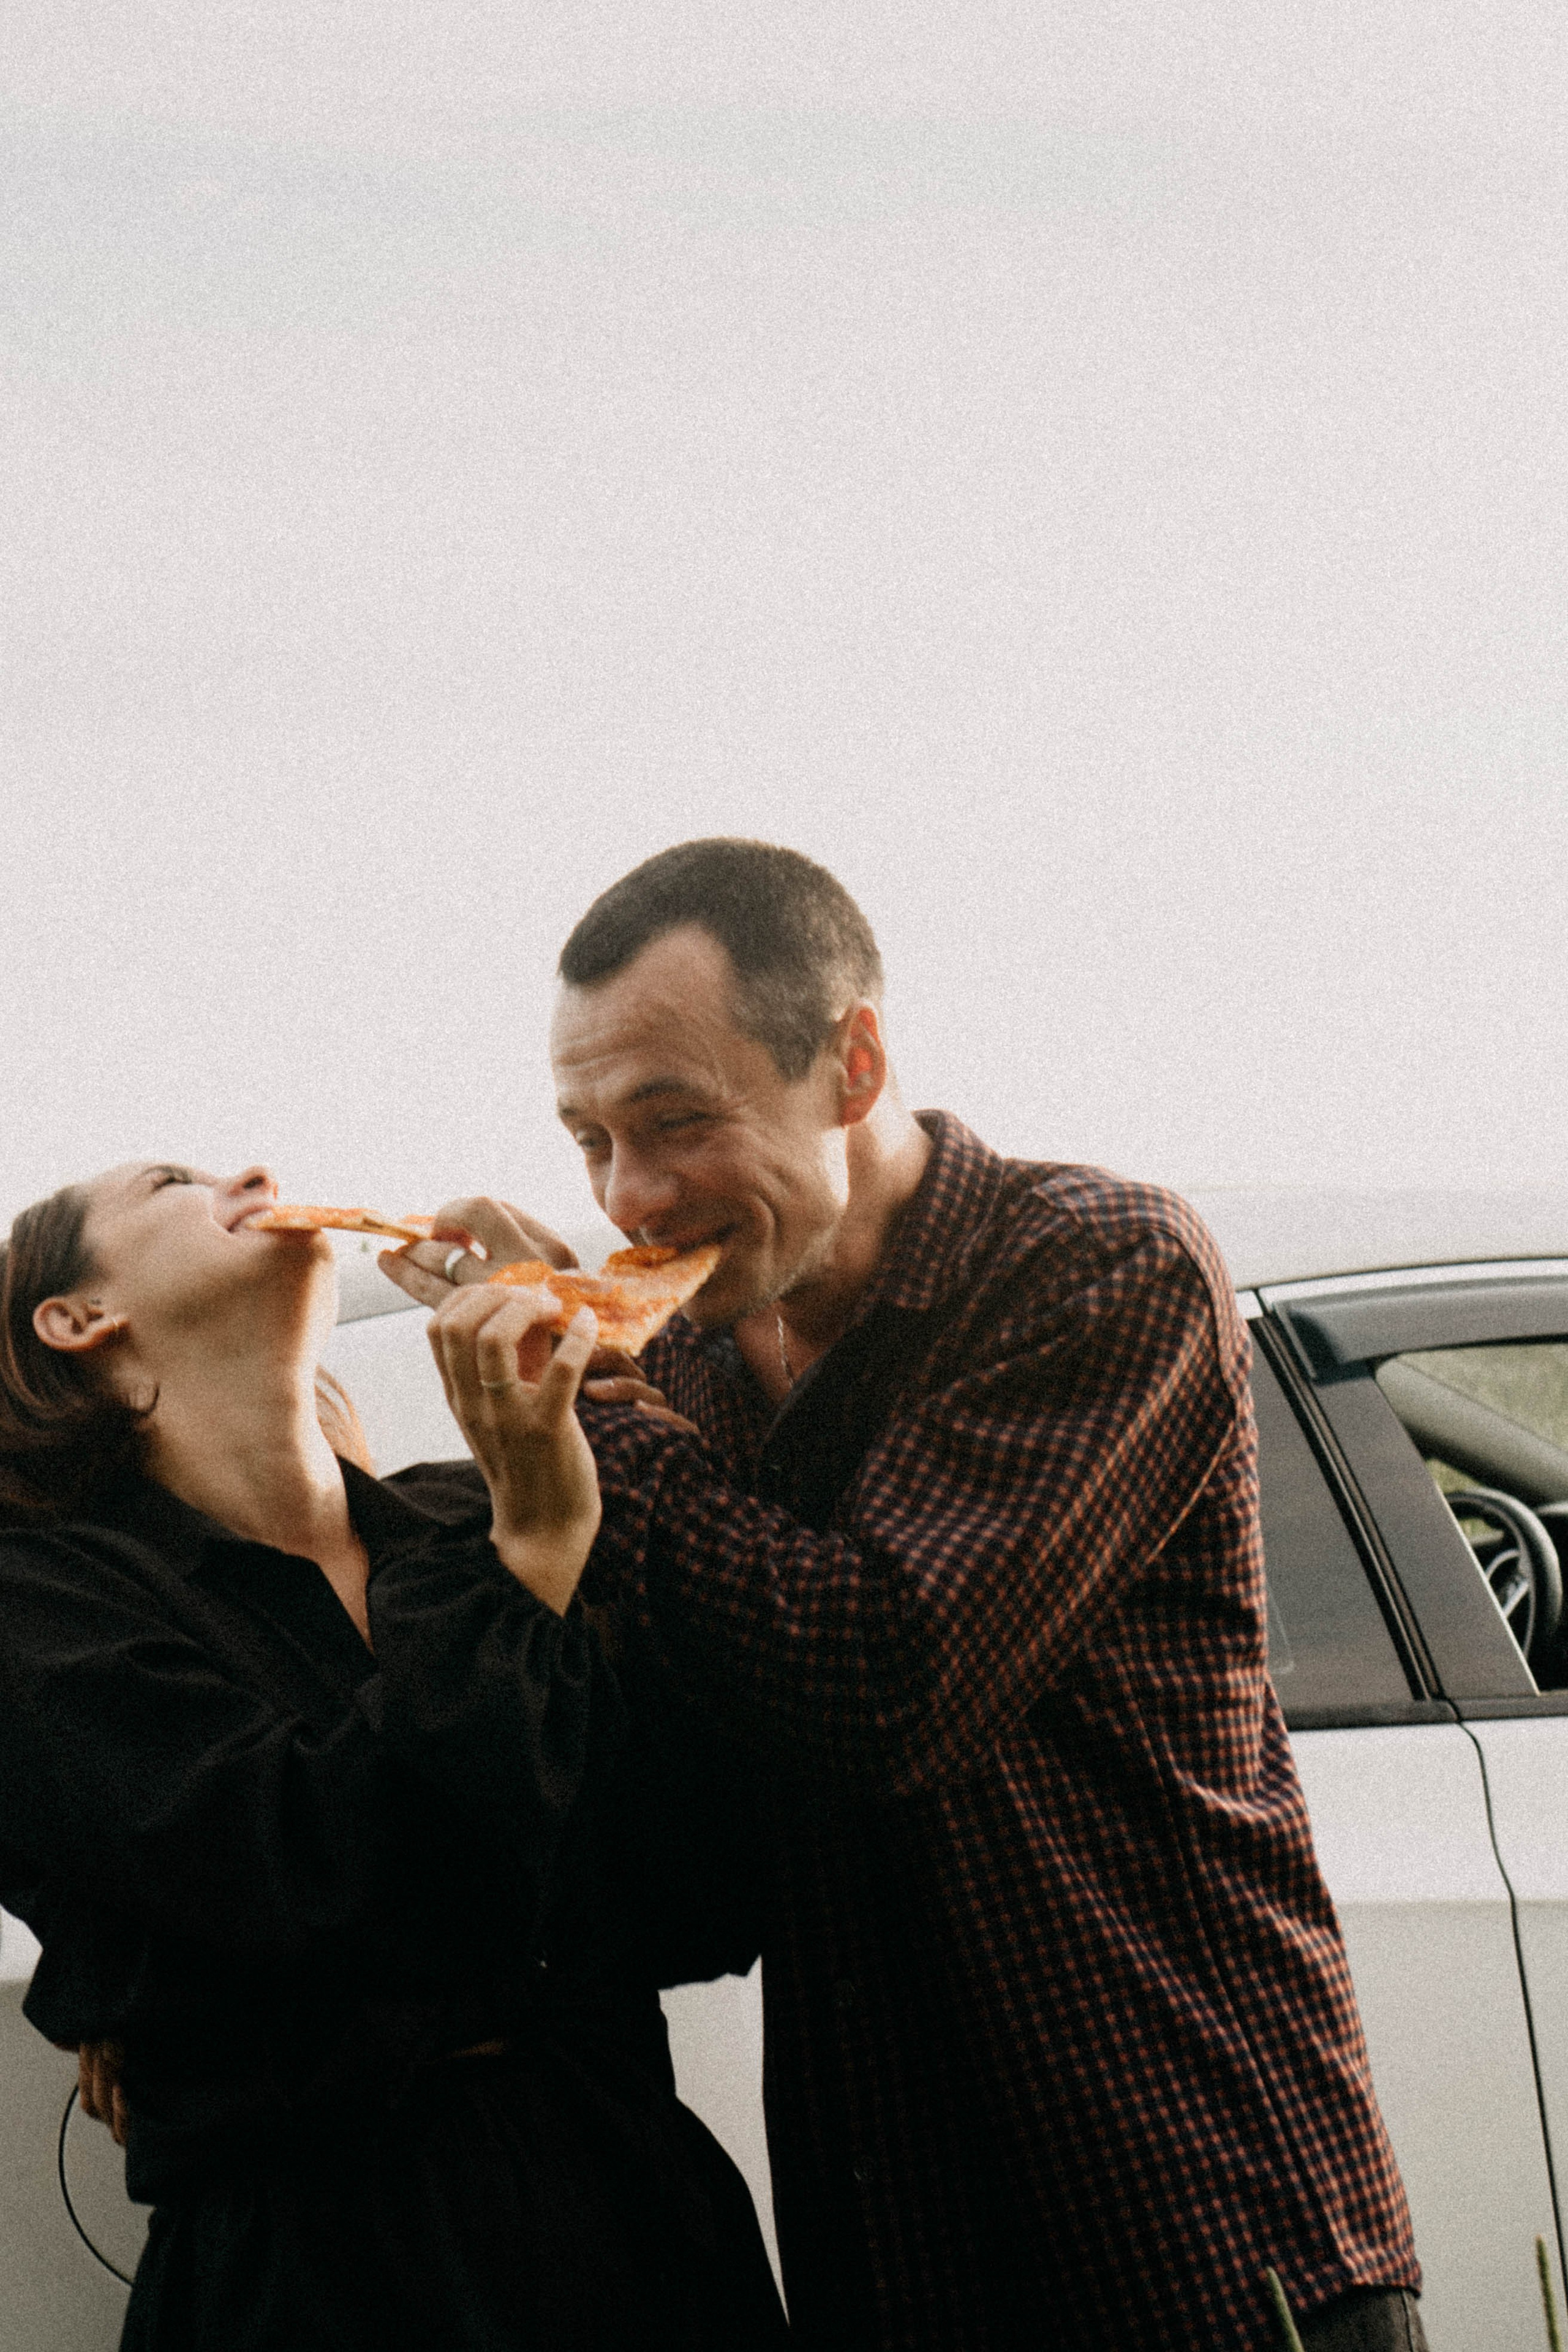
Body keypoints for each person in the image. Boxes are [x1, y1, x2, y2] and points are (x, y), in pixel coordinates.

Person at [386, 837, 1427, 2352]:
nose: (632, 1193)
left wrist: (585, 1402)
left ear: (852, 1063)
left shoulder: (1092, 1268)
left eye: (677, 1122)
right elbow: (671, 1851)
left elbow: (876, 1680)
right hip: (898, 2254)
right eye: (590, 1140)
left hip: (1194, 2229)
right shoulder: (675, 1371)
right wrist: (201, 1998)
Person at [0, 1156, 788, 2351]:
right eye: (174, 1179)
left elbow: (700, 1895)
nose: (257, 1172)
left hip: (641, 2225)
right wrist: (526, 1561)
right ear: (77, 1317)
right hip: (327, 2279)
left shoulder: (479, 1506)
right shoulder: (39, 1604)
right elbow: (316, 1866)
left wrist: (601, 1379)